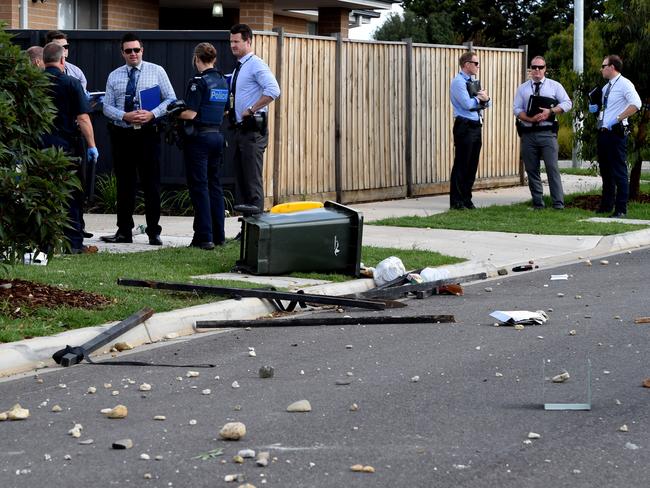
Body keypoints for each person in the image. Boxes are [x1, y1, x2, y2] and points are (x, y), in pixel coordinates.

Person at [100, 32, 176, 245]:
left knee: (151, 184)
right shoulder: (114, 75)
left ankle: (154, 231)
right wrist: (123, 115)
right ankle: (124, 231)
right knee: (125, 185)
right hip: (122, 135)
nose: (133, 54)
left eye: (136, 50)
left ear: (142, 50)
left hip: (148, 134)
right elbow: (106, 106)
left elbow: (171, 99)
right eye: (128, 50)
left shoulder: (156, 71)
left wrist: (153, 114)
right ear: (122, 53)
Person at [40, 43, 99, 254]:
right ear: (63, 60)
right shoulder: (71, 83)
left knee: (42, 195)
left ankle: (43, 244)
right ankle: (73, 243)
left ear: (43, 60)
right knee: (71, 194)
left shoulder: (34, 84)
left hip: (39, 146)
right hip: (65, 146)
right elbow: (82, 117)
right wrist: (92, 145)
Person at [177, 43, 229, 250]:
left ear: (197, 59)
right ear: (214, 59)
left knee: (199, 187)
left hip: (199, 139)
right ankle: (219, 235)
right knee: (214, 186)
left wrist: (171, 112)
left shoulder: (198, 82)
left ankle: (204, 237)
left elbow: (191, 113)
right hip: (217, 136)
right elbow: (225, 110)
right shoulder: (223, 81)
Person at [226, 23, 280, 213]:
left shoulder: (256, 64)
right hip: (240, 129)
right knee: (241, 181)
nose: (232, 45)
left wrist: (252, 108)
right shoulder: (239, 67)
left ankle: (257, 230)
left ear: (248, 41)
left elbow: (274, 90)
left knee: (251, 180)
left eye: (236, 41)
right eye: (231, 41)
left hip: (253, 131)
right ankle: (246, 229)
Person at [513, 56, 572, 210]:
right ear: (530, 69)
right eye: (534, 67)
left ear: (545, 68)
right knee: (531, 170)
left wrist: (551, 111)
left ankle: (558, 204)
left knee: (552, 168)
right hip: (528, 133)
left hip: (547, 133)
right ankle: (538, 203)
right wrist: (529, 118)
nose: (537, 70)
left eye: (540, 67)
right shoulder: (523, 88)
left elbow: (567, 103)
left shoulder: (555, 86)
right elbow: (517, 109)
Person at [589, 55, 641, 218]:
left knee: (619, 171)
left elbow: (636, 104)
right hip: (603, 133)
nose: (601, 68)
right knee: (606, 171)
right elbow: (604, 108)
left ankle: (621, 209)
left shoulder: (625, 84)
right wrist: (594, 109)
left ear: (612, 67)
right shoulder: (606, 87)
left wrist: (618, 118)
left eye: (603, 65)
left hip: (616, 133)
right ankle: (606, 205)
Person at [449, 51, 491, 210]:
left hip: (476, 125)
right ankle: (456, 202)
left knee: (472, 164)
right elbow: (467, 104)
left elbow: (486, 104)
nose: (478, 66)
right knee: (462, 163)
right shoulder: (458, 82)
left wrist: (485, 99)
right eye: (476, 63)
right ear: (467, 64)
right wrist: (480, 99)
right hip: (464, 125)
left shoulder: (473, 81)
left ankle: (467, 199)